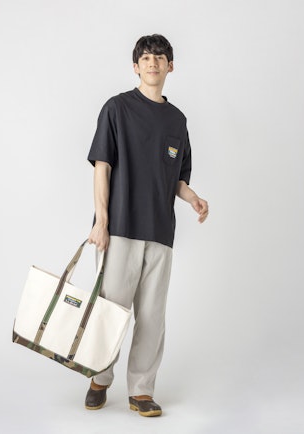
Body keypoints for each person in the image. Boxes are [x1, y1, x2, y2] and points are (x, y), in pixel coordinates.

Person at [85, 34, 208, 417]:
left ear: (171, 66)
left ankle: (141, 390)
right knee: (111, 310)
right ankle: (99, 378)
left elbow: (177, 177)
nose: (153, 62)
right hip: (119, 227)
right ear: (135, 66)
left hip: (160, 231)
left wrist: (192, 198)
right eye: (146, 57)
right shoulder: (117, 108)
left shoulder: (177, 121)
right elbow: (102, 165)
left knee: (152, 316)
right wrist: (101, 221)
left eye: (160, 57)